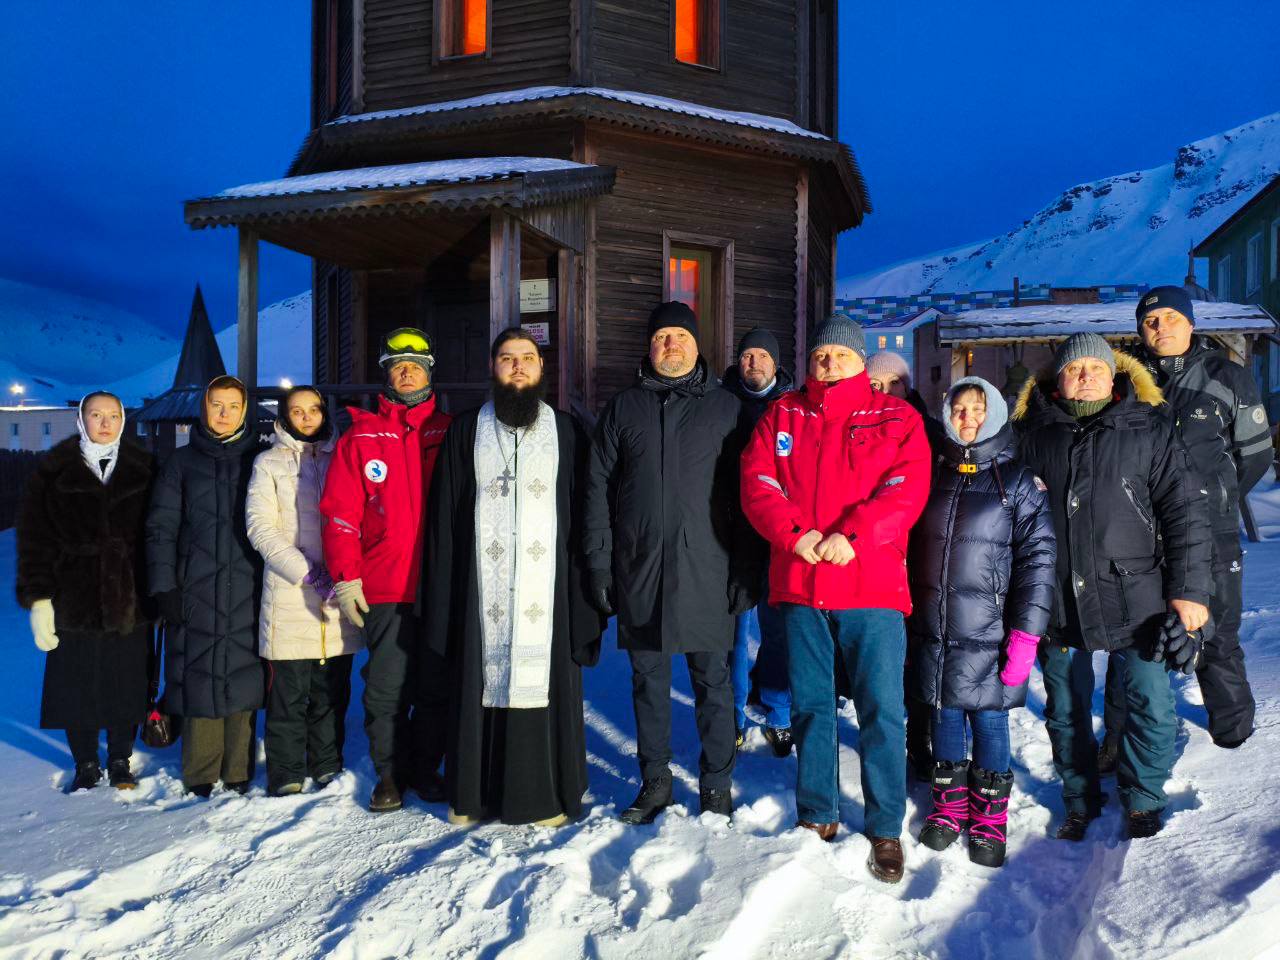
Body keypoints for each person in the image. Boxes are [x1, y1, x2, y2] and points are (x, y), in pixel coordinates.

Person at [741, 314, 930, 883]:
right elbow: (758, 481)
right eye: (821, 355)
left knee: (880, 708)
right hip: (801, 584)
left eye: (840, 356)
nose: (829, 363)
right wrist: (795, 534)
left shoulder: (894, 415)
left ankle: (885, 826)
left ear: (860, 361)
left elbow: (906, 486)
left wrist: (855, 536)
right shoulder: (784, 413)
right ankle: (817, 812)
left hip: (868, 586)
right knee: (811, 707)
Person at [1013, 334, 1211, 840]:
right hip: (1057, 595)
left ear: (1113, 374)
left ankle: (1144, 797)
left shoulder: (1149, 428)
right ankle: (1079, 798)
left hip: (1136, 593)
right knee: (1065, 706)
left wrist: (1189, 588)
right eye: (1074, 369)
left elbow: (1185, 510)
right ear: (1057, 379)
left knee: (1149, 698)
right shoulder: (1031, 435)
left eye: (1094, 368)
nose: (1084, 376)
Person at [425, 329, 605, 826]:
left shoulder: (567, 433)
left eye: (527, 358)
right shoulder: (466, 432)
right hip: (479, 587)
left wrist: (585, 584)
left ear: (542, 368)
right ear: (493, 367)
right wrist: (445, 591)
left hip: (547, 592)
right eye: (508, 359)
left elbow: (583, 513)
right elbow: (444, 518)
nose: (518, 367)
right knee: (476, 682)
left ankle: (545, 796)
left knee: (545, 686)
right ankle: (472, 796)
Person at [583, 301, 753, 825]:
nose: (670, 345)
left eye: (679, 336)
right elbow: (596, 490)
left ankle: (716, 785)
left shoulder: (727, 409)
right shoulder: (624, 408)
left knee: (713, 684)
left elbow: (748, 494)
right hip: (642, 569)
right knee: (648, 682)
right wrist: (599, 562)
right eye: (661, 338)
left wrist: (747, 567)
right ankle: (655, 781)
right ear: (649, 346)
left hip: (710, 568)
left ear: (697, 345)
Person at [1098, 286, 1270, 756]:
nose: (1161, 328)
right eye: (1151, 321)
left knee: (1219, 632)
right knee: (1135, 637)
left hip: (1212, 531)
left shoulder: (1227, 375)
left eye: (1171, 317)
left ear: (1191, 323)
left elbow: (1254, 455)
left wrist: (1215, 495)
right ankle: (1119, 735)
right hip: (1140, 533)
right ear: (1140, 329)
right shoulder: (1125, 379)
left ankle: (1233, 733)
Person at [907, 378, 1056, 867]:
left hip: (991, 635)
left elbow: (1038, 561)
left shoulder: (1016, 481)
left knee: (990, 723)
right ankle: (948, 808)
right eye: (958, 407)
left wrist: (1025, 636)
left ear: (994, 415)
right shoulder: (932, 472)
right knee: (945, 717)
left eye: (977, 407)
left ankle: (989, 816)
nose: (967, 416)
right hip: (936, 629)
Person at [320, 328, 452, 812]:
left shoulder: (450, 431)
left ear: (429, 371)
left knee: (436, 686)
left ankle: (424, 767)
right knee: (386, 688)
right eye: (397, 365)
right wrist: (347, 575)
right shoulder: (361, 436)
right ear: (386, 374)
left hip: (439, 587)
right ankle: (390, 774)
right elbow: (339, 512)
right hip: (385, 588)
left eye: (415, 364)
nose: (406, 371)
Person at [16, 392, 155, 791]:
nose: (105, 423)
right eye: (96, 415)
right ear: (82, 419)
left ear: (124, 420)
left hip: (130, 592)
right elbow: (35, 537)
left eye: (113, 415)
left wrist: (160, 588)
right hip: (72, 594)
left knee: (124, 679)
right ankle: (85, 762)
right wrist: (39, 598)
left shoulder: (144, 467)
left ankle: (119, 759)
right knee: (76, 682)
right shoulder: (55, 469)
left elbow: (159, 532)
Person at [147, 376, 266, 797]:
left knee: (243, 673)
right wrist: (164, 587)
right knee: (198, 676)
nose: (224, 413)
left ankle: (237, 769)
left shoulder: (261, 458)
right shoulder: (180, 464)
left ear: (244, 409)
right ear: (204, 408)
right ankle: (200, 772)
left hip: (248, 584)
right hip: (193, 584)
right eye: (217, 404)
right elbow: (161, 528)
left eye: (233, 405)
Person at [246, 386, 360, 796]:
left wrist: (346, 571)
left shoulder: (344, 457)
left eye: (314, 409)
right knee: (289, 696)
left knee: (331, 693)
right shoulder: (269, 463)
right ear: (284, 417)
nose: (307, 417)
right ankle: (287, 771)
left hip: (339, 594)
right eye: (298, 411)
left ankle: (327, 762)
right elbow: (261, 528)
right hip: (290, 595)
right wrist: (307, 572)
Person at [721, 327, 794, 756]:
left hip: (777, 535)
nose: (753, 363)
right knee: (733, 629)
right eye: (746, 355)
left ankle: (779, 711)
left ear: (775, 362)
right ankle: (731, 714)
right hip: (731, 535)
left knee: (778, 628)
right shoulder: (719, 403)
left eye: (761, 356)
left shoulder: (791, 406)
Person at [867, 349, 933, 778]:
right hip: (876, 560)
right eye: (877, 385)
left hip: (924, 556)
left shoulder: (930, 430)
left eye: (896, 384)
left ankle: (920, 741)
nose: (888, 393)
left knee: (922, 656)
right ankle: (886, 741)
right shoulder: (858, 428)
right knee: (884, 660)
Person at [866, 350, 928, 416]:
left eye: (894, 382)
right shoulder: (854, 423)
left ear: (905, 388)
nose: (885, 391)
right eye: (874, 384)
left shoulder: (928, 425)